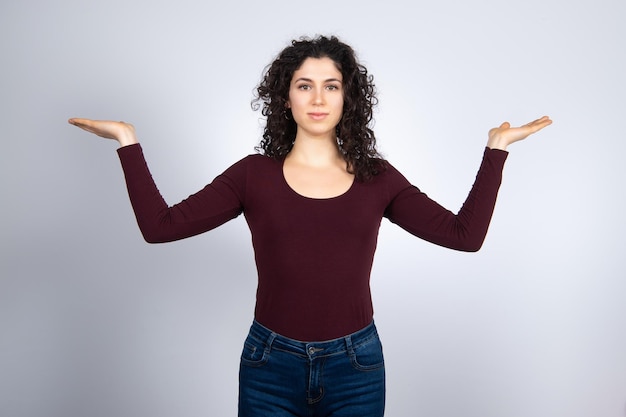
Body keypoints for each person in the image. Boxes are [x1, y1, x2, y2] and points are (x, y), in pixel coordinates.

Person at [68, 35, 552, 417]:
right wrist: (127, 142)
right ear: (285, 99)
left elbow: (464, 237)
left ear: (347, 99)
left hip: (357, 366)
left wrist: (496, 151)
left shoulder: (376, 178)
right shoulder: (251, 175)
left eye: (331, 85)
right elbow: (160, 226)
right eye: (304, 85)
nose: (318, 97)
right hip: (269, 365)